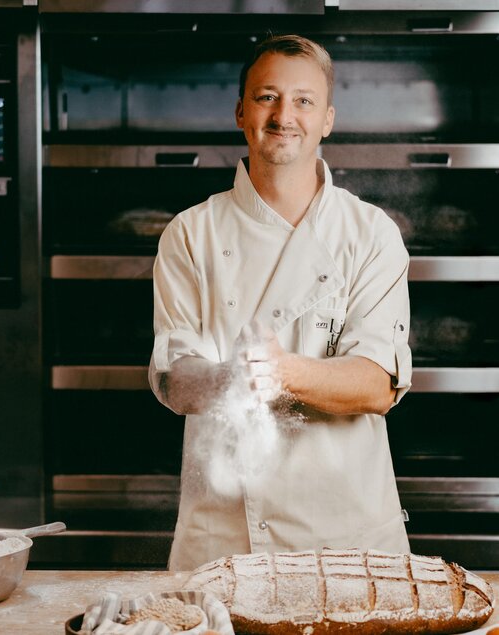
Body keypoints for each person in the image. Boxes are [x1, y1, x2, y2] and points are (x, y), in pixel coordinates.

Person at [148, 34, 413, 571]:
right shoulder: (191, 233)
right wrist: (229, 379)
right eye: (267, 97)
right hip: (225, 536)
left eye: (303, 101)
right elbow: (175, 378)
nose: (283, 115)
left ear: (327, 120)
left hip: (348, 538)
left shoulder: (370, 233)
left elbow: (377, 384)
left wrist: (280, 372)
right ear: (241, 112)